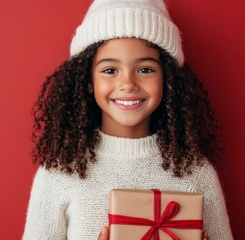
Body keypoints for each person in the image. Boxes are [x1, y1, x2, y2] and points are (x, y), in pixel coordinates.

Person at [22, 0, 233, 239]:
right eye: (110, 70)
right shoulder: (60, 172)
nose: (128, 84)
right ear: (88, 81)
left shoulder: (196, 171)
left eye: (145, 69)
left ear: (168, 79)